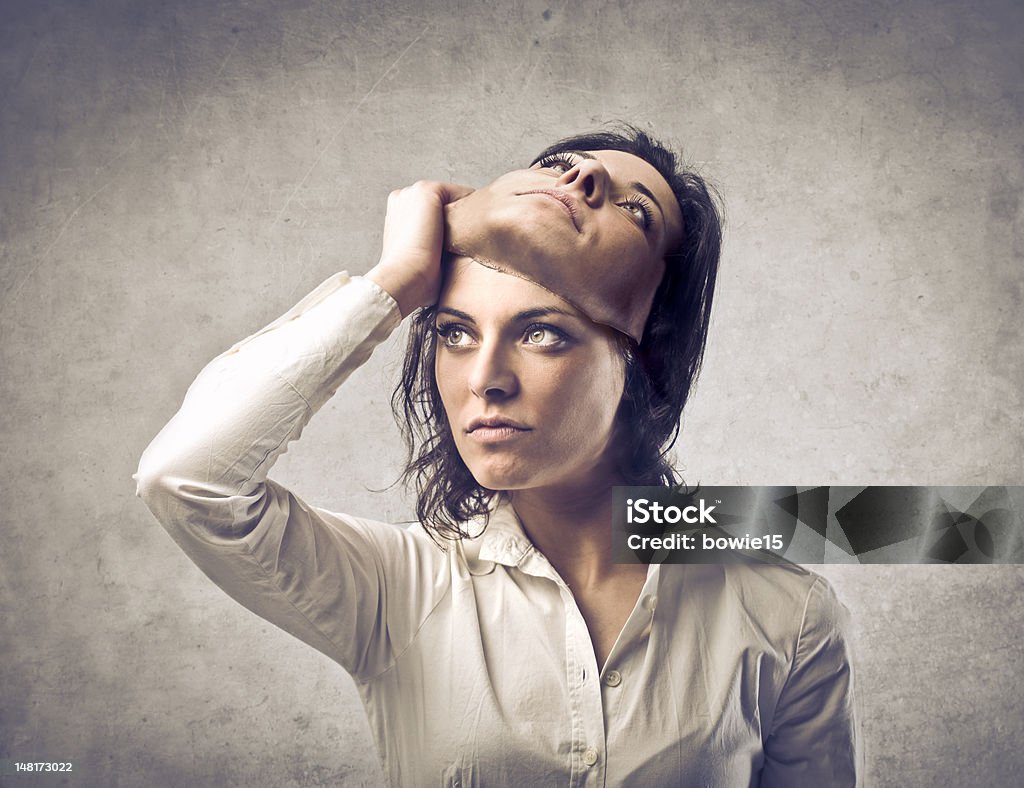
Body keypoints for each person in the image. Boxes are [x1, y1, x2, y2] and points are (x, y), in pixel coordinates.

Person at [135, 126, 860, 786]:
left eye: (544, 333)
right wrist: (394, 283)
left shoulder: (784, 612)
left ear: (648, 357)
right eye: (454, 333)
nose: (485, 379)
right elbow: (187, 479)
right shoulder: (398, 589)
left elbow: (947, 527)